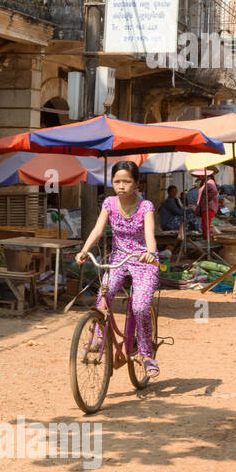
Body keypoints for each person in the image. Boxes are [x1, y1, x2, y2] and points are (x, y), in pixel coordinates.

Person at [76, 160, 160, 376]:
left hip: (144, 260)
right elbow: (97, 230)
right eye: (117, 181)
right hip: (118, 258)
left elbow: (150, 235)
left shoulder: (146, 206)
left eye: (126, 181)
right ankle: (97, 337)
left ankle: (146, 354)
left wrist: (150, 252)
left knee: (140, 307)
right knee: (104, 294)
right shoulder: (109, 203)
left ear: (137, 183)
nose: (121, 186)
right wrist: (84, 250)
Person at [194, 169, 220, 242]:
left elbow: (214, 191)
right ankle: (207, 239)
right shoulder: (206, 182)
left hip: (208, 207)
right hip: (206, 207)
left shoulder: (209, 182)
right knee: (205, 225)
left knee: (205, 225)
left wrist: (206, 199)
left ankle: (208, 241)